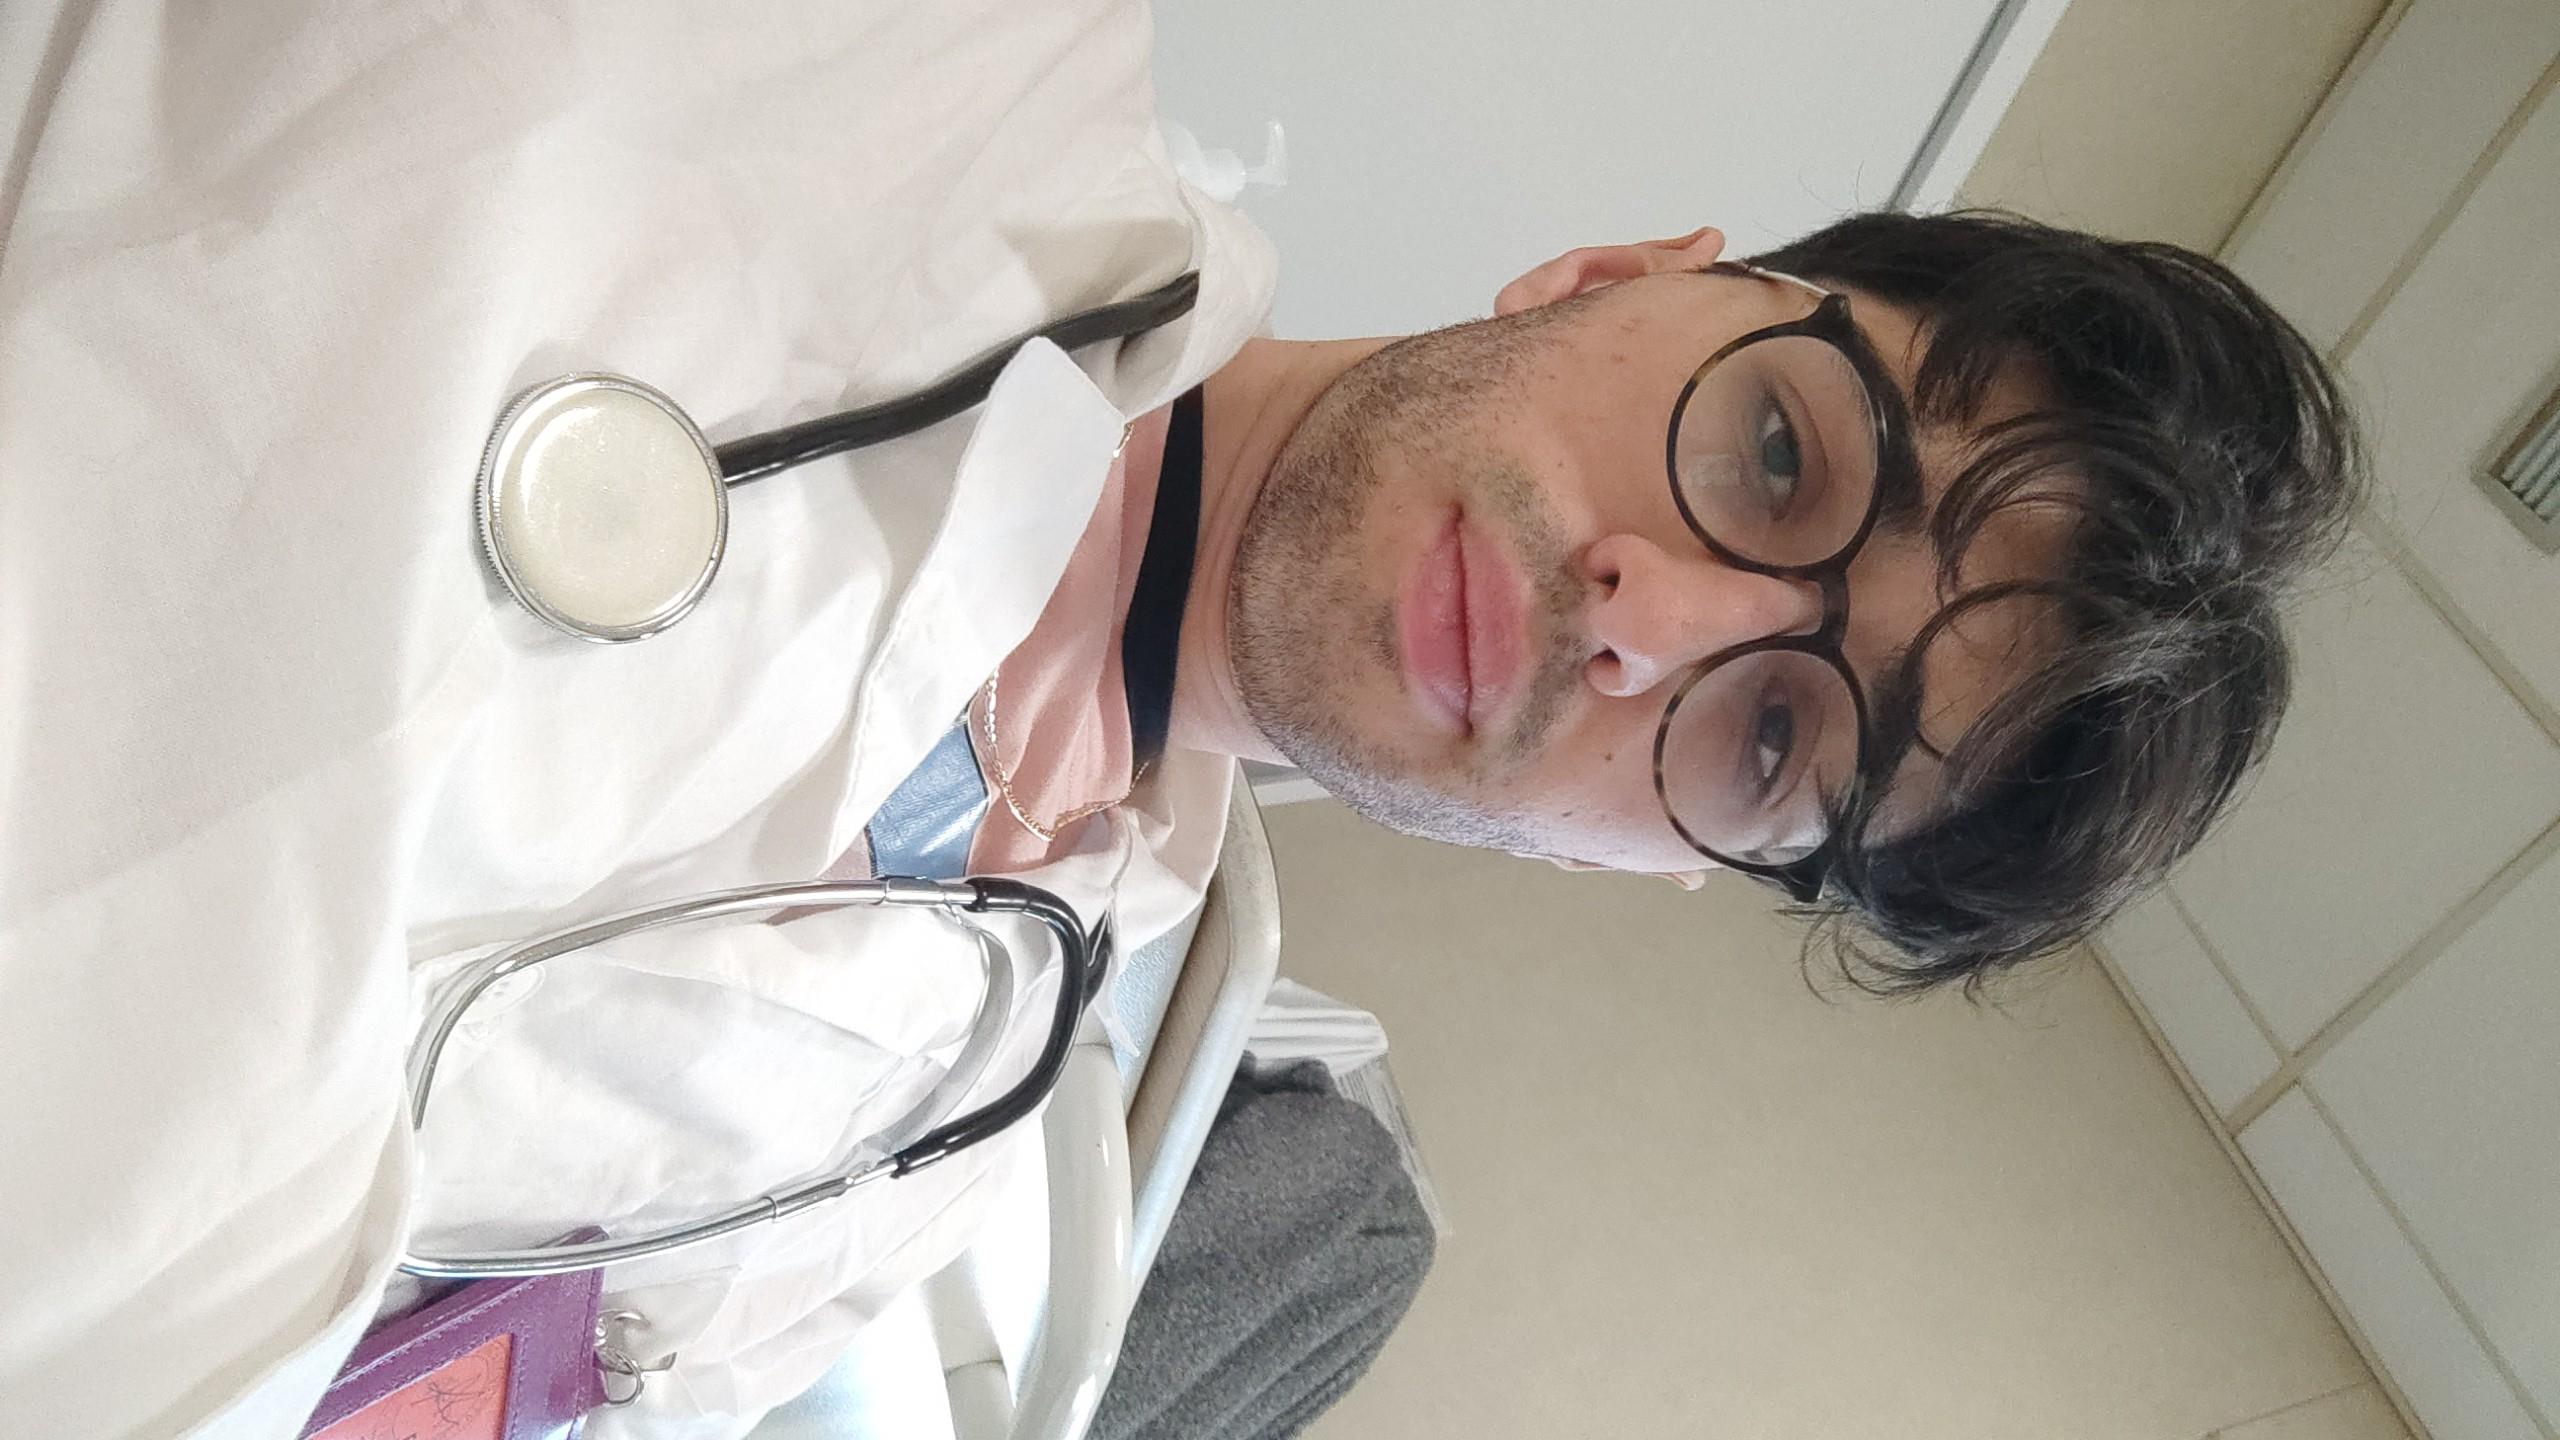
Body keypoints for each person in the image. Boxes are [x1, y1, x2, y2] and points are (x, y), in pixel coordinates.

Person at [0, 2, 2358, 1437]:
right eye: (1774, 453)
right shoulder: (888, 59)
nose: (1647, 624)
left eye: (1764, 747)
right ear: (1625, 269)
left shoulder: (960, 1120)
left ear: (1642, 868)